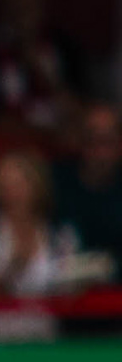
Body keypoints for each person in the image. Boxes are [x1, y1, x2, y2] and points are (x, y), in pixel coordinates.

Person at [0, 149, 97, 343]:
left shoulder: (61, 236)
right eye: (4, 185)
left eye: (20, 184)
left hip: (45, 346)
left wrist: (83, 275)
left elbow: (71, 296)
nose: (12, 193)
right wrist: (10, 271)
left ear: (38, 186)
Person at [0, 0, 87, 133]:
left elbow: (83, 112)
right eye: (15, 1)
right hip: (10, 148)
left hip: (62, 149)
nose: (22, 9)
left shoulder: (65, 47)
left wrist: (41, 71)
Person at [55, 101, 122, 267]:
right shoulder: (56, 185)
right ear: (79, 141)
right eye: (91, 140)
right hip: (63, 286)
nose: (100, 151)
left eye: (107, 141)